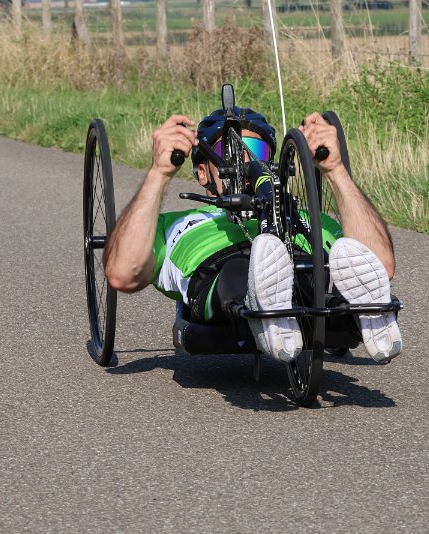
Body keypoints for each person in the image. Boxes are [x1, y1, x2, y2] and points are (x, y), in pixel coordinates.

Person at [104, 105, 402, 364]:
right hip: (220, 273)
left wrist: (335, 169)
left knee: (324, 271)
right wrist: (158, 173)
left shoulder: (310, 218)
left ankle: (361, 313)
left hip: (300, 260)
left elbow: (381, 264)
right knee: (238, 271)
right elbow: (122, 274)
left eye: (256, 152)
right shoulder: (171, 224)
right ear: (203, 172)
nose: (244, 163)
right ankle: (267, 304)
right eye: (228, 153)